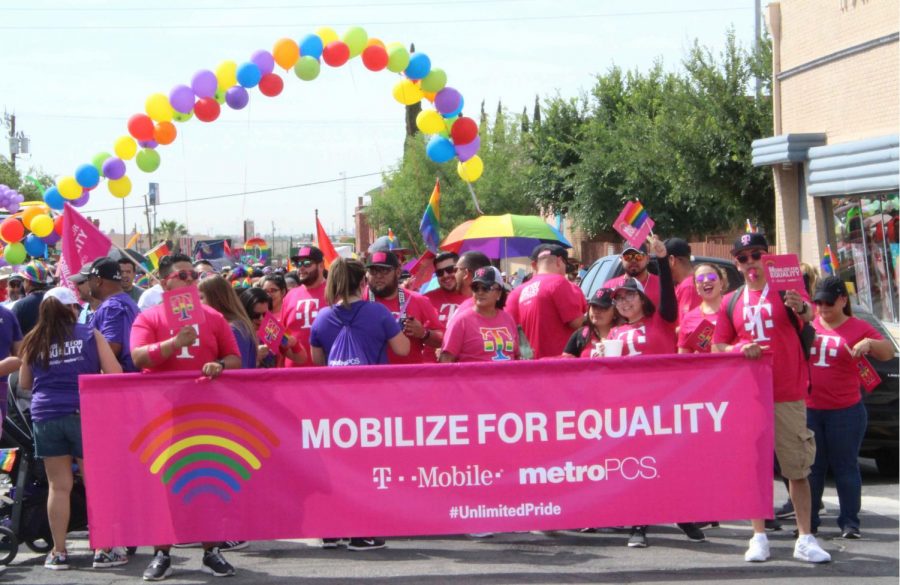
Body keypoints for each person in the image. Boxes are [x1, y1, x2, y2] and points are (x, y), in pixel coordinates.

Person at [712, 232, 831, 564]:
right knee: (755, 468)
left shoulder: (787, 291)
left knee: (797, 467)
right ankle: (758, 535)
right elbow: (718, 345)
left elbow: (811, 317)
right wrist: (738, 348)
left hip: (788, 391)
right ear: (736, 263)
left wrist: (802, 306)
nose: (750, 262)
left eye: (756, 255)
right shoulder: (731, 301)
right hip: (749, 395)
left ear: (767, 257)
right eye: (743, 257)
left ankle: (806, 537)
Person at [130, 253, 243, 580]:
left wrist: (219, 366)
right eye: (184, 275)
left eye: (194, 275)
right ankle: (162, 553)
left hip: (205, 414)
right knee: (164, 485)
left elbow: (235, 358)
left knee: (208, 482)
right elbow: (137, 357)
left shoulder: (213, 317)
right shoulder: (148, 318)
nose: (192, 280)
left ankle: (211, 551)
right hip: (161, 414)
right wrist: (172, 343)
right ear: (165, 282)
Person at [19, 287, 125, 571]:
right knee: (95, 484)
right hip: (84, 413)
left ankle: (58, 551)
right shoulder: (90, 334)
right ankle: (103, 550)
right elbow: (115, 374)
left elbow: (25, 384)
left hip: (45, 415)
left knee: (59, 486)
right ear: (71, 309)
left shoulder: (33, 340)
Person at [606, 235, 703, 547]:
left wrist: (661, 258)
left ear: (642, 299)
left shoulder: (661, 321)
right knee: (638, 465)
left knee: (670, 462)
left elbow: (669, 298)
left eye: (629, 297)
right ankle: (639, 523)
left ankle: (683, 514)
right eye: (619, 298)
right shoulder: (615, 332)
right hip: (630, 409)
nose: (624, 301)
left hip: (662, 403)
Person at [309, 258, 408, 552]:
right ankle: (360, 532)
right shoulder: (378, 313)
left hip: (334, 406)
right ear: (363, 282)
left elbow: (318, 363)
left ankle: (331, 530)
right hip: (371, 405)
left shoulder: (322, 318)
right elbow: (402, 349)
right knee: (365, 467)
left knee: (337, 467)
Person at [806, 276, 894, 539]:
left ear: (843, 300)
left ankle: (849, 522)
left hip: (845, 410)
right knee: (812, 468)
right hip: (811, 409)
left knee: (845, 466)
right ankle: (808, 521)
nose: (823, 308)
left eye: (829, 302)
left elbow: (888, 352)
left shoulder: (859, 326)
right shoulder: (809, 324)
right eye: (818, 302)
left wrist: (870, 344)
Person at [506, 244, 585, 358]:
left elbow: (509, 332)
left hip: (528, 368)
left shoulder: (515, 293)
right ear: (559, 261)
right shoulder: (559, 283)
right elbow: (577, 323)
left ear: (534, 265)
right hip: (559, 366)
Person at [365, 251, 443, 365]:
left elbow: (441, 340)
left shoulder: (418, 300)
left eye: (384, 270)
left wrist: (424, 333)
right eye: (373, 271)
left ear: (397, 272)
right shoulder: (359, 301)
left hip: (408, 377)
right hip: (370, 377)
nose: (378, 276)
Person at [441, 267, 519, 363]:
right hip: (473, 378)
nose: (480, 292)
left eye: (486, 288)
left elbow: (519, 355)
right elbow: (446, 361)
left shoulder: (508, 319)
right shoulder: (461, 321)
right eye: (475, 288)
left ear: (499, 293)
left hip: (508, 377)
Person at [87, 257, 140, 372]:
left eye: (89, 279)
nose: (88, 284)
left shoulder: (111, 307)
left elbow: (111, 348)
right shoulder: (128, 302)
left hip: (121, 382)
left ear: (98, 281)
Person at [280, 246, 327, 367]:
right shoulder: (290, 295)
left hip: (326, 374)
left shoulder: (334, 293)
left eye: (307, 263)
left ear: (321, 265)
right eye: (298, 263)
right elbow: (283, 334)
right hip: (293, 375)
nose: (301, 267)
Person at [199, 276, 258, 370]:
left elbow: (238, 368)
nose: (198, 303)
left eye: (201, 297)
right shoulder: (238, 324)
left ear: (217, 298)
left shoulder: (233, 328)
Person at [677, 264, 728, 353]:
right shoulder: (689, 318)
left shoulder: (733, 309)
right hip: (704, 366)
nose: (706, 281)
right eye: (700, 279)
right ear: (696, 287)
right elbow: (683, 359)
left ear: (721, 283)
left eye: (711, 277)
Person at [562, 288, 618, 358]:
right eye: (594, 306)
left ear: (615, 312)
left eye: (603, 308)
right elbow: (564, 363)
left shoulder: (623, 334)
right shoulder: (581, 334)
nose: (596, 311)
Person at [447, 251, 493, 323]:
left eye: (455, 270)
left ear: (466, 273)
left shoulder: (464, 311)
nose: (453, 274)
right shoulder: (497, 306)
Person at [424, 252, 468, 326]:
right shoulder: (426, 299)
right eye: (440, 272)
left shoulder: (477, 297)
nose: (445, 275)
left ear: (461, 270)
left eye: (450, 269)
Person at [12, 260, 53, 335]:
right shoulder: (55, 301)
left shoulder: (20, 306)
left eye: (24, 280)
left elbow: (12, 334)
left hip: (28, 346)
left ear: (28, 281)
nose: (23, 283)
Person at [666, 238, 701, 321]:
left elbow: (687, 325)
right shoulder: (684, 284)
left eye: (663, 262)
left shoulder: (688, 286)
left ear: (672, 260)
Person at [240, 287, 276, 367]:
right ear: (244, 312)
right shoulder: (236, 333)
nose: (261, 319)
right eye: (256, 315)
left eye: (265, 314)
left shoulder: (272, 327)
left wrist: (294, 345)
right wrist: (254, 357)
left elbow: (301, 358)